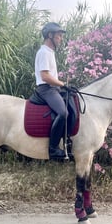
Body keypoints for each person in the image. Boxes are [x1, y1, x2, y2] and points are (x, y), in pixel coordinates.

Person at [35, 22, 69, 160]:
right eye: (59, 36)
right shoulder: (44, 52)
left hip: (53, 88)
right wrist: (62, 84)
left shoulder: (50, 52)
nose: (61, 39)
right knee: (62, 113)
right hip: (47, 89)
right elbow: (45, 76)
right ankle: (53, 149)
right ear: (50, 35)